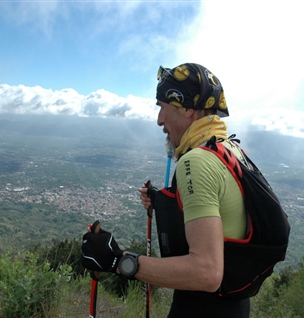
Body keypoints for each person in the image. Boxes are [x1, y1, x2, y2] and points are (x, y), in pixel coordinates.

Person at [82, 63, 250, 317]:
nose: (159, 120)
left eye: (162, 108)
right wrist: (165, 201)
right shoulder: (230, 149)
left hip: (201, 309)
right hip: (234, 304)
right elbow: (221, 209)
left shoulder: (197, 161)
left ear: (187, 109)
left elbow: (206, 272)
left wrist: (117, 260)